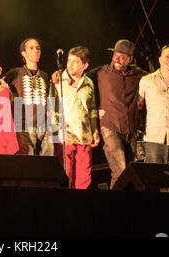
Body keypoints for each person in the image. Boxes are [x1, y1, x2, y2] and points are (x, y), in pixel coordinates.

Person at [86, 39, 148, 189]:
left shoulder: (140, 75)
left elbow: (160, 78)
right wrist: (94, 112)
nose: (117, 59)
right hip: (110, 127)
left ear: (131, 59)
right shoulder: (101, 72)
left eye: (122, 56)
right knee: (119, 171)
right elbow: (79, 79)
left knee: (136, 173)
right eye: (115, 54)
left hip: (133, 130)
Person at [51, 46, 100, 189]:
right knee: (65, 177)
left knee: (84, 181)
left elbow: (92, 110)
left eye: (75, 61)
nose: (70, 64)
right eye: (69, 60)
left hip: (84, 137)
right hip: (64, 138)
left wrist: (95, 131)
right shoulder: (57, 80)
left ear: (85, 65)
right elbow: (51, 108)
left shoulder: (89, 83)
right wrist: (55, 133)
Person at [2, 38, 54, 156]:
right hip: (24, 125)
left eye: (38, 48)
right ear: (23, 53)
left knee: (48, 160)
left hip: (44, 125)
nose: (35, 50)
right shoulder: (15, 72)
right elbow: (0, 85)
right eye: (31, 48)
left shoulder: (44, 75)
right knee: (27, 160)